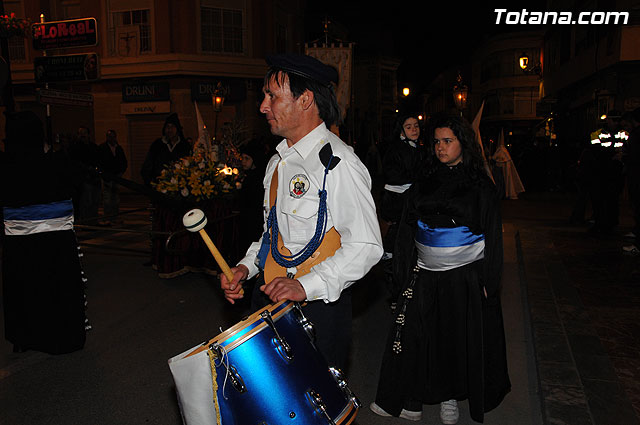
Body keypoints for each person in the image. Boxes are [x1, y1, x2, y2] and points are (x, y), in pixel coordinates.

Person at [220, 53, 383, 371]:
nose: (263, 106)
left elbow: (366, 246)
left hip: (316, 309)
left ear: (305, 99)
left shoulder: (338, 163)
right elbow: (274, 235)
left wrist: (306, 285)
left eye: (272, 96)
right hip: (267, 301)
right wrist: (244, 269)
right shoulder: (277, 161)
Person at [370, 115, 510, 424]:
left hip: (464, 276)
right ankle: (414, 395)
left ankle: (450, 398)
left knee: (453, 339)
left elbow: (492, 233)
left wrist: (489, 280)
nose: (440, 147)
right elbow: (407, 227)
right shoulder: (425, 179)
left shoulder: (479, 184)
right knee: (419, 336)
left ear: (463, 144)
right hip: (425, 273)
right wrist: (402, 270)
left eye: (448, 141)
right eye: (436, 142)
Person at [1, 111, 88, 354]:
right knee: (56, 288)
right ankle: (61, 337)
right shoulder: (56, 163)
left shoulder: (6, 166)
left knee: (24, 290)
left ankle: (25, 337)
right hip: (55, 240)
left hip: (18, 243)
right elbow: (77, 183)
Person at [379, 113, 424, 307]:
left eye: (416, 126)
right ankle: (396, 289)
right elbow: (392, 175)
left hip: (410, 199)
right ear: (401, 131)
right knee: (398, 242)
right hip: (397, 201)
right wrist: (416, 177)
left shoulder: (418, 149)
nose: (414, 130)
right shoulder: (395, 149)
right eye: (409, 126)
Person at [141, 113, 191, 186]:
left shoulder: (184, 146)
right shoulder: (157, 145)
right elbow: (147, 166)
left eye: (172, 126)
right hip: (159, 186)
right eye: (167, 127)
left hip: (179, 187)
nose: (169, 129)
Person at [69, 125, 100, 224]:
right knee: (87, 201)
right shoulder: (75, 147)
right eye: (80, 133)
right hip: (84, 178)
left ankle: (93, 220)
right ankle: (86, 221)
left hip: (94, 177)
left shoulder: (93, 146)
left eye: (84, 133)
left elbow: (98, 160)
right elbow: (75, 162)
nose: (82, 135)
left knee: (95, 201)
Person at [97, 129, 128, 225]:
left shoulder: (118, 148)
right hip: (107, 177)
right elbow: (100, 162)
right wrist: (103, 174)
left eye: (113, 136)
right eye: (109, 136)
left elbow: (124, 162)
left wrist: (121, 172)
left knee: (115, 199)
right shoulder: (102, 148)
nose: (111, 138)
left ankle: (114, 217)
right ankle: (107, 217)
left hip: (116, 177)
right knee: (107, 198)